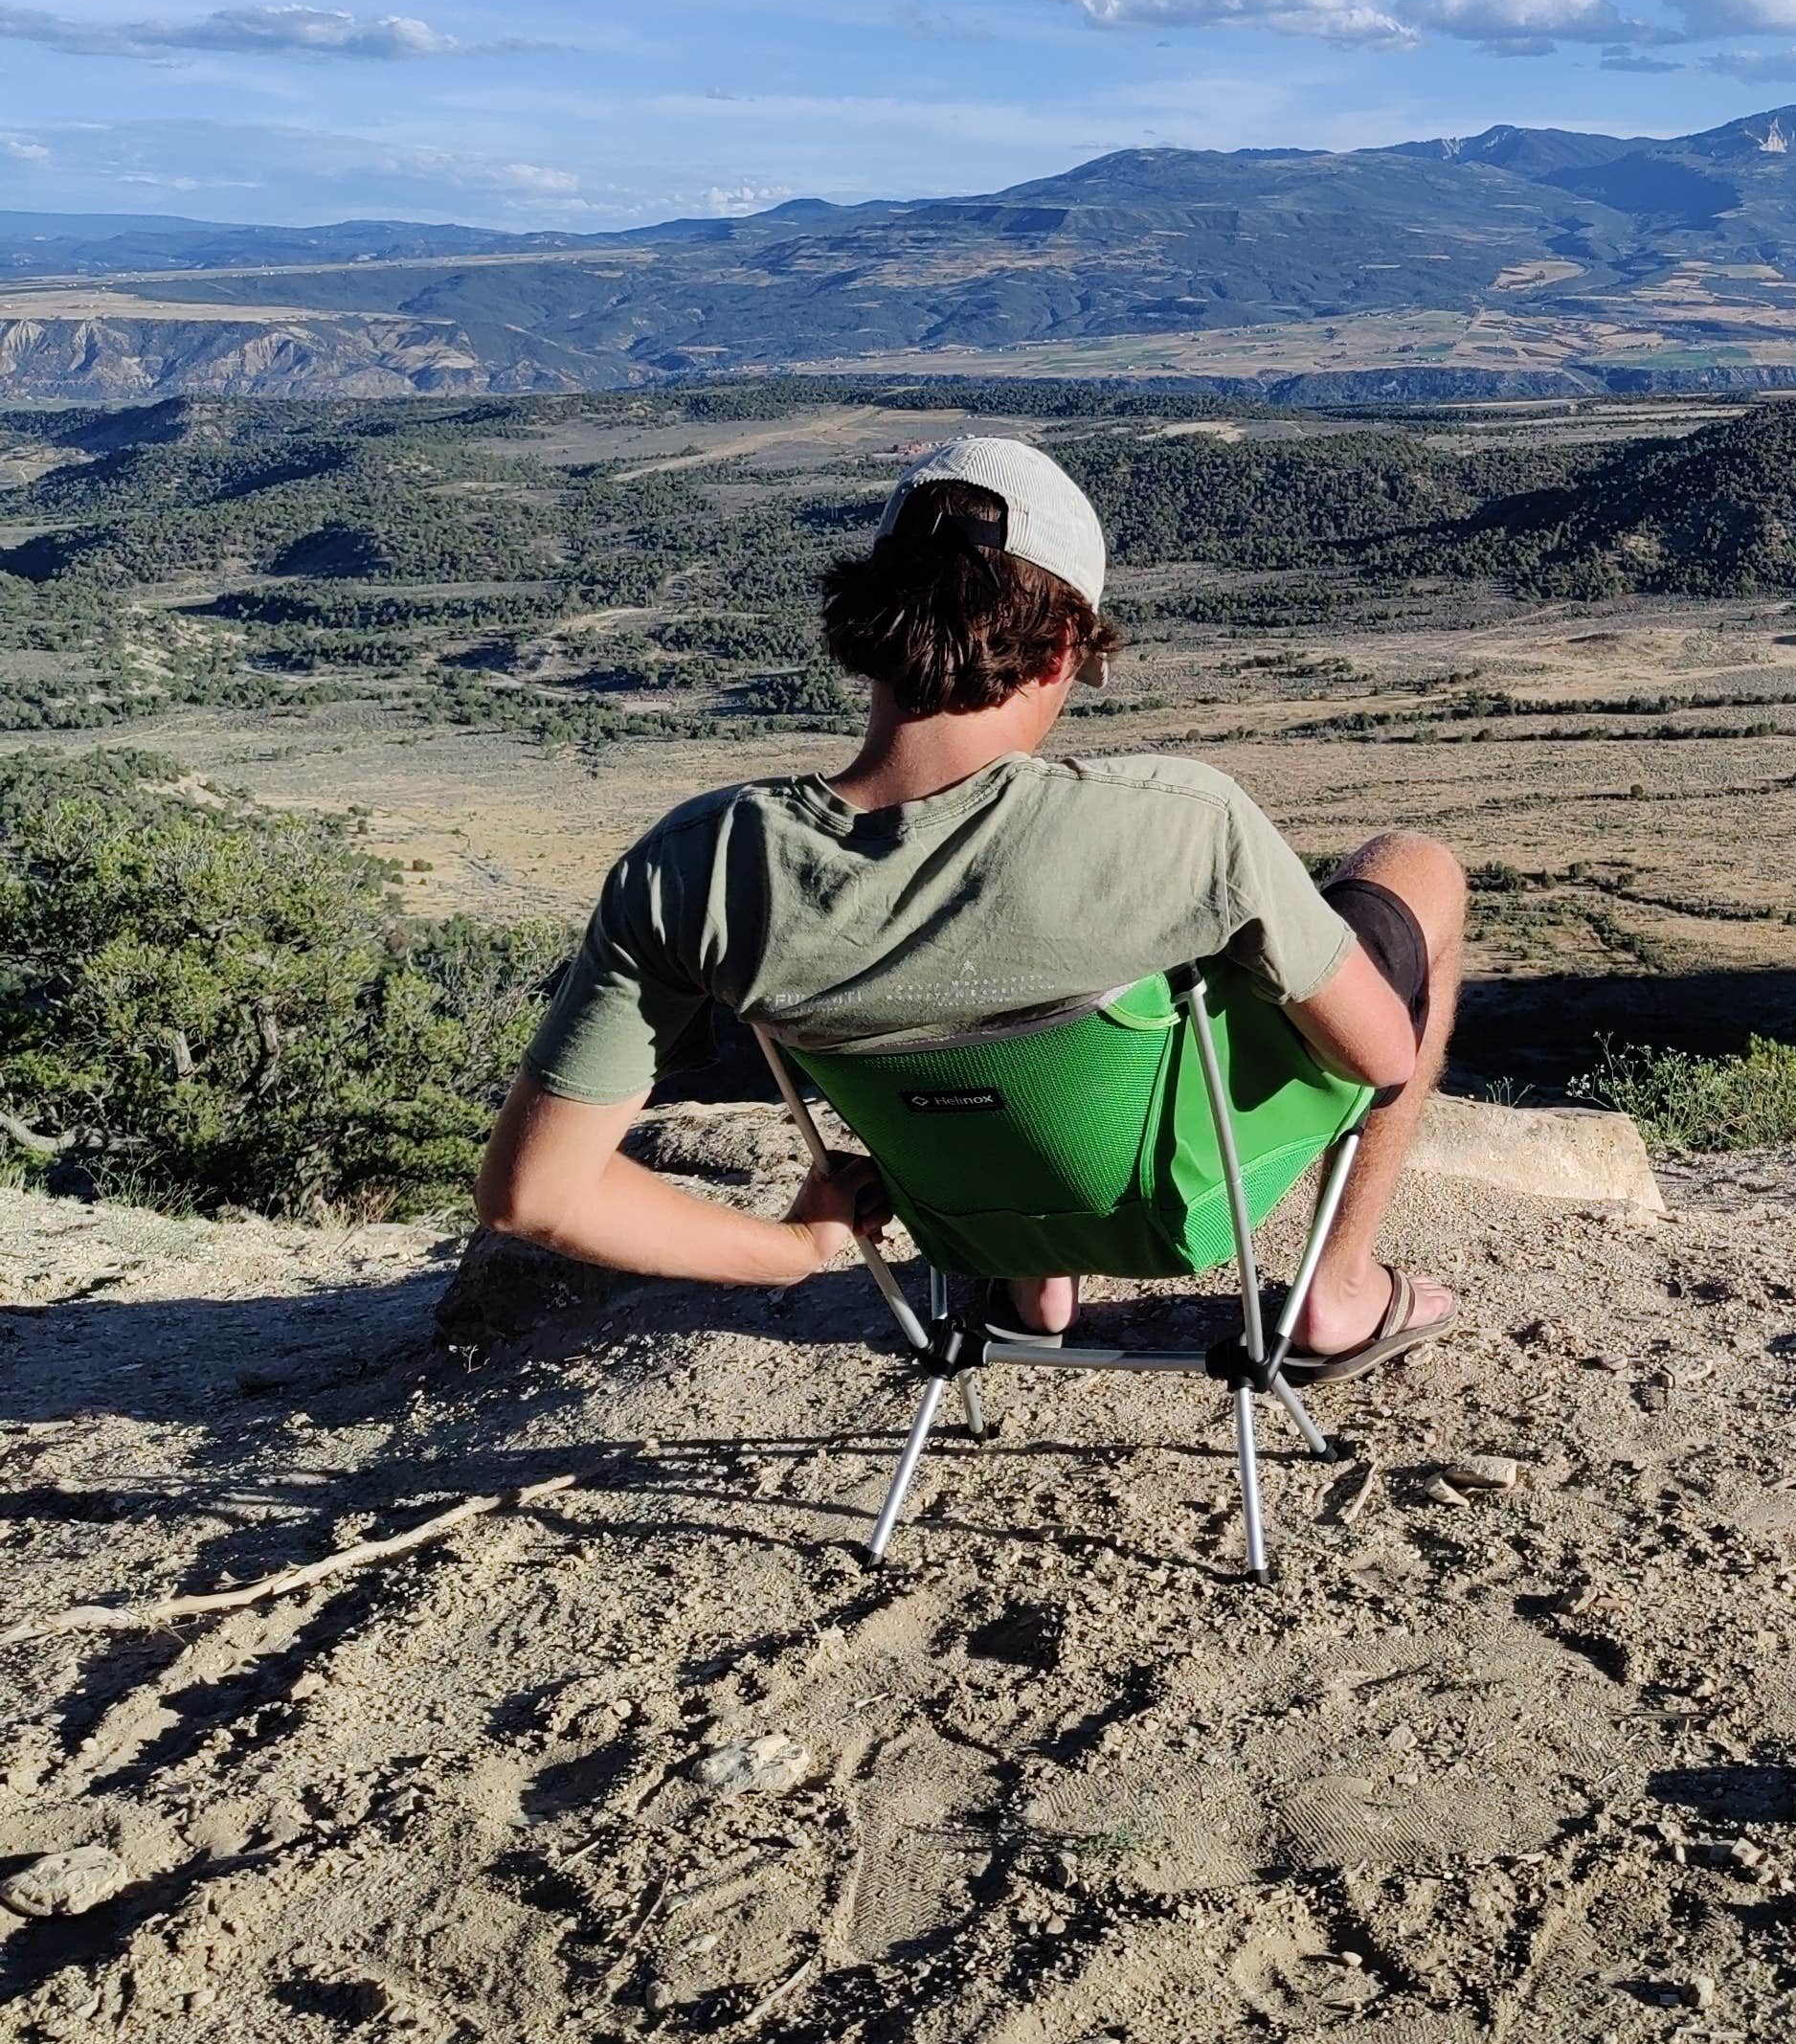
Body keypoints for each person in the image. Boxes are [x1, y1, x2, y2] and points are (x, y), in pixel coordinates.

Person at [476, 434, 1462, 1373]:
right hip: (1174, 1202)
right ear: (1061, 647)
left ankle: (1036, 1275)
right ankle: (1335, 1289)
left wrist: (796, 1248)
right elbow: (1380, 1056)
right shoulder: (1179, 821)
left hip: (962, 1209)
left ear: (871, 622)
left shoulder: (696, 868)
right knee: (1416, 868)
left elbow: (533, 1194)